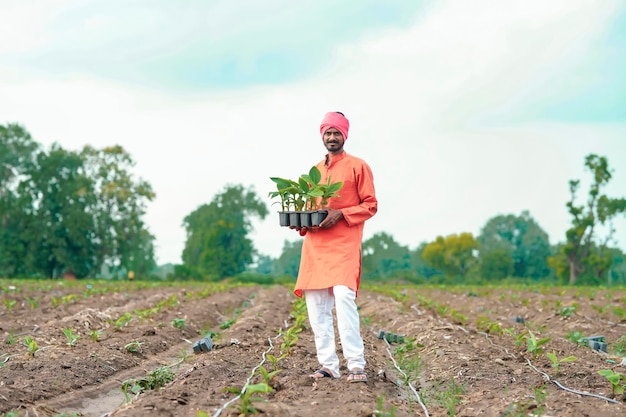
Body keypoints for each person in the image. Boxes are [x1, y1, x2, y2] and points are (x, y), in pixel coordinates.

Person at [292, 111, 378, 383]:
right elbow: (309, 209)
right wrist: (300, 223)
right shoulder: (314, 172)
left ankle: (356, 364)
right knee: (316, 305)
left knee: (342, 297)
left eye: (336, 133)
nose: (332, 137)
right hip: (316, 246)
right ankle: (328, 365)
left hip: (344, 243)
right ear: (322, 135)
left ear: (345, 135)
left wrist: (340, 213)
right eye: (328, 133)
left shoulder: (357, 166)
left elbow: (370, 204)